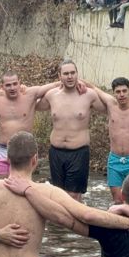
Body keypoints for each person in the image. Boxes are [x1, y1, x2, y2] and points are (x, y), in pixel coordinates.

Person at [0, 72, 62, 178]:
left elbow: (55, 85)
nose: (12, 88)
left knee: (22, 187)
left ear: (19, 83)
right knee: (2, 187)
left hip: (24, 150)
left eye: (15, 84)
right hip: (4, 149)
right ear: (2, 87)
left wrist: (79, 83)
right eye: (8, 85)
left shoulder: (31, 94)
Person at [39, 60, 105, 200]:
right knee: (58, 195)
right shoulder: (51, 95)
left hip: (78, 152)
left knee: (74, 196)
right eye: (66, 73)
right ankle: (62, 222)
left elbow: (112, 108)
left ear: (77, 74)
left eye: (73, 73)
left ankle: (76, 221)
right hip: (56, 152)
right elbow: (30, 103)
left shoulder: (88, 95)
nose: (70, 76)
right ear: (59, 76)